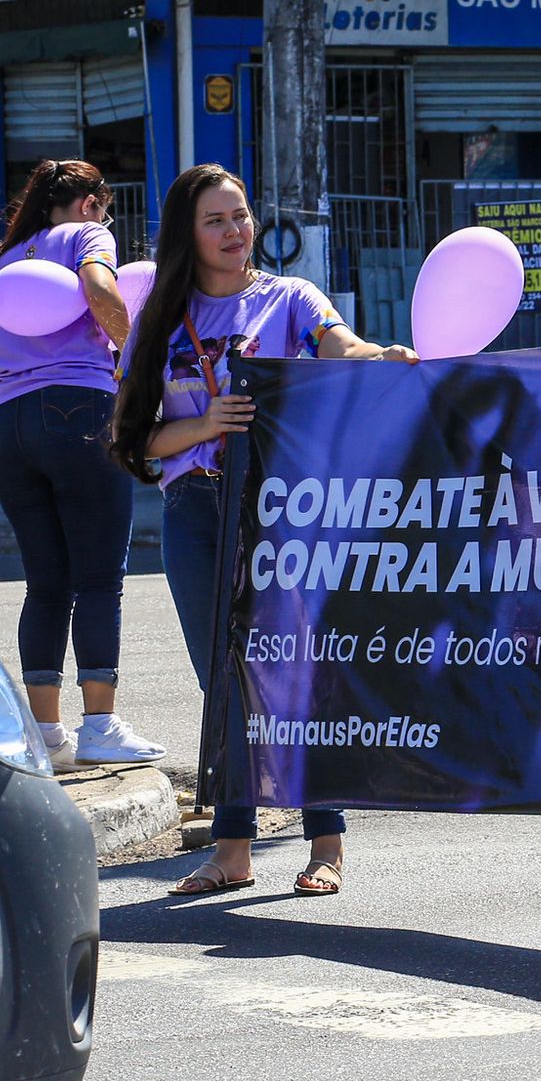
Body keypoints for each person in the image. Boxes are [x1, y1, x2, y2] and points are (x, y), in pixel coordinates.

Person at [110, 165, 418, 898]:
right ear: (187, 233)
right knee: (224, 678)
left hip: (284, 509)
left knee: (300, 668)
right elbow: (135, 436)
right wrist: (203, 425)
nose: (235, 231)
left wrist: (382, 357)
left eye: (241, 215)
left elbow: (341, 346)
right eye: (216, 220)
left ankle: (327, 842)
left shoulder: (290, 298)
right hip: (194, 510)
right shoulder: (160, 317)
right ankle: (233, 849)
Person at [0, 160, 166, 768]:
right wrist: (135, 356)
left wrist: (20, 354)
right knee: (98, 577)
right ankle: (100, 727)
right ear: (91, 204)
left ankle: (46, 733)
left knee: (45, 582)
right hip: (80, 411)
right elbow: (99, 289)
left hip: (10, 424)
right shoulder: (87, 236)